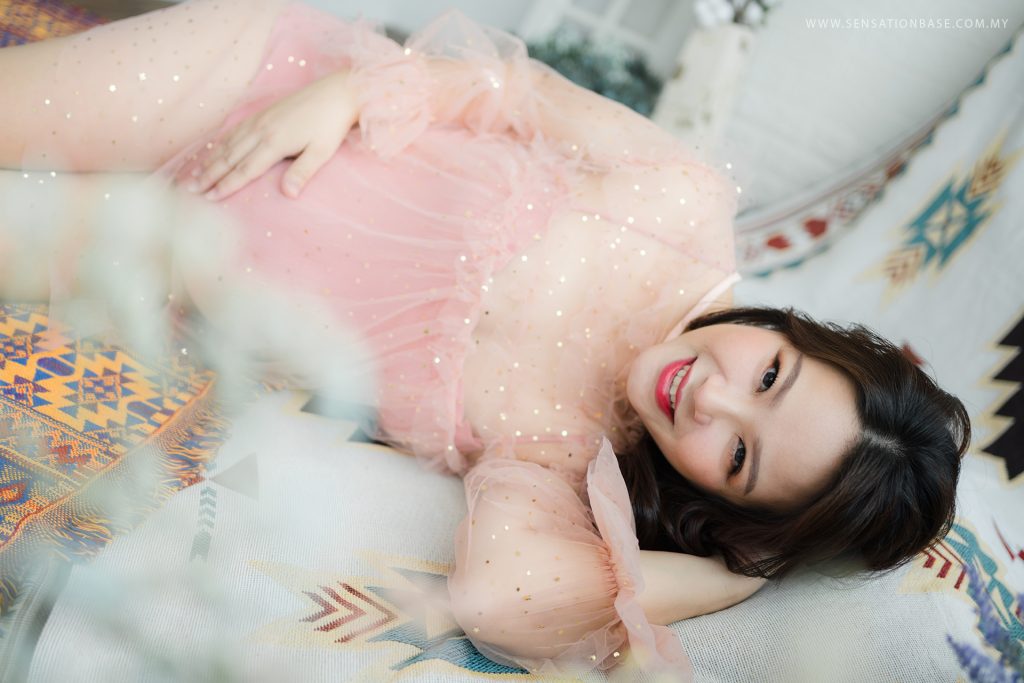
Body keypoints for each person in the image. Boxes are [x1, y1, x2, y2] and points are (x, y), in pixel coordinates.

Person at [0, 0, 969, 677]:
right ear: (797, 333)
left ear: (722, 501)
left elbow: (503, 600)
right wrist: (347, 97)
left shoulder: (561, 451)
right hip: (246, 86)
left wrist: (727, 574)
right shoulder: (680, 203)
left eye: (741, 456)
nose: (711, 397)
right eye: (770, 374)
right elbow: (506, 89)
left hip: (154, 259)